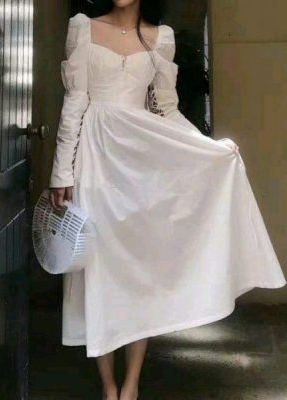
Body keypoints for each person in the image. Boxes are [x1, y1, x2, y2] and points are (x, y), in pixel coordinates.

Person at [48, 1, 287, 399]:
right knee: (98, 268)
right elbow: (74, 104)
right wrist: (62, 173)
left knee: (138, 269)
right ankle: (108, 387)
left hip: (138, 164)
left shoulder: (161, 38)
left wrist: (209, 147)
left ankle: (131, 384)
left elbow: (167, 110)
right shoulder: (83, 28)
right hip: (95, 159)